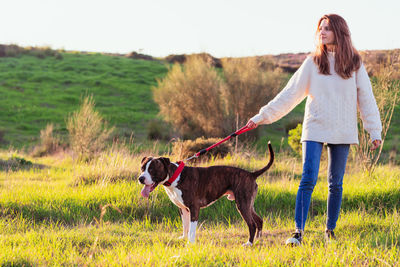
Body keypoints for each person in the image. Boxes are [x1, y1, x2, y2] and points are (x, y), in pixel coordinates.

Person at [246, 14, 382, 245]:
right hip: (315, 127)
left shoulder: (355, 62)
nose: (322, 32)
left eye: (327, 28)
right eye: (320, 28)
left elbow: (366, 98)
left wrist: (374, 131)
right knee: (308, 178)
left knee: (335, 182)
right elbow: (289, 95)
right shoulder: (313, 62)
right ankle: (298, 232)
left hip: (342, 129)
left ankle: (330, 231)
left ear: (339, 31)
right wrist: (262, 117)